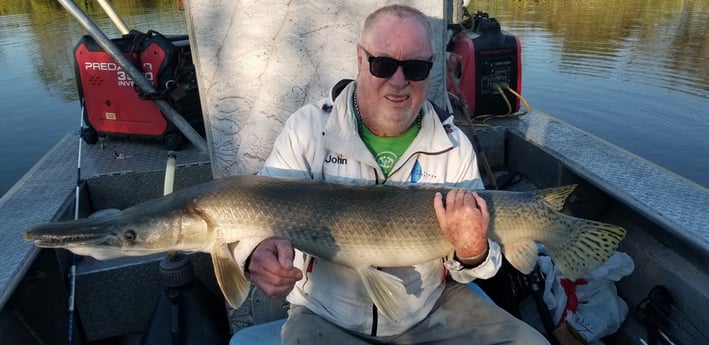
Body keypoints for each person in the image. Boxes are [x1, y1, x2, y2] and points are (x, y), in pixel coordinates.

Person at [230, 4, 550, 345]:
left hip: (432, 309)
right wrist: (254, 255)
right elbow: (252, 212)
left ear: (430, 68)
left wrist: (473, 252)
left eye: (415, 68)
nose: (399, 82)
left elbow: (479, 268)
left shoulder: (454, 146)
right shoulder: (307, 130)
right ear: (359, 59)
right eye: (382, 65)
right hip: (326, 316)